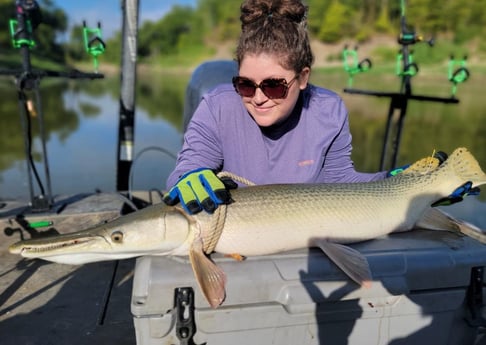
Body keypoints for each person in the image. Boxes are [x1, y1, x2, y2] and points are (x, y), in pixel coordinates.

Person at [163, 0, 388, 215]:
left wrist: (391, 180)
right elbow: (185, 170)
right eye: (246, 84)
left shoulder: (329, 110)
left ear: (302, 78)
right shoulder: (217, 106)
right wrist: (188, 176)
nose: (258, 98)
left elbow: (341, 182)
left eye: (273, 86)